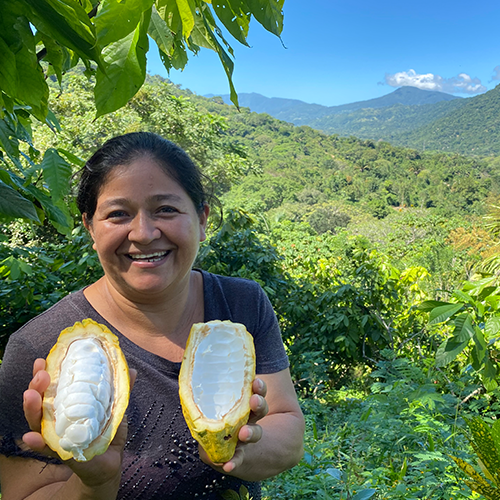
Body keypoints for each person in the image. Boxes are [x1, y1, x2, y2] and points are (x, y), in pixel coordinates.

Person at [0, 132, 305, 499]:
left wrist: (234, 448)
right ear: (90, 228)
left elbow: (287, 429)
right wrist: (92, 483)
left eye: (165, 209)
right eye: (118, 214)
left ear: (203, 218)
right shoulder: (35, 347)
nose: (143, 234)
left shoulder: (241, 303)